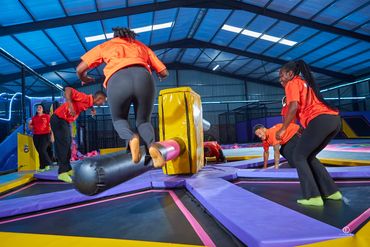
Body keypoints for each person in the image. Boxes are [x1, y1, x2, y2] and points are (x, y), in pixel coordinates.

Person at [76, 27, 169, 164]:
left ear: (115, 36)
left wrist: (83, 78)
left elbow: (79, 69)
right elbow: (164, 72)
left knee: (119, 119)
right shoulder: (141, 46)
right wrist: (160, 76)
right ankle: (152, 146)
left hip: (118, 80)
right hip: (144, 78)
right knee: (143, 121)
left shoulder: (106, 46)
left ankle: (132, 138)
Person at [276, 60, 342, 206]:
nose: (280, 78)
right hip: (333, 120)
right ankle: (331, 192)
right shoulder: (304, 83)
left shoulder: (292, 83)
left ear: (290, 74)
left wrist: (283, 129)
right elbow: (294, 110)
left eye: (281, 75)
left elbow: (293, 107)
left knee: (298, 156)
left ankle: (312, 197)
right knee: (309, 156)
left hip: (320, 120)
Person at [51, 87, 107, 183]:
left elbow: (87, 104)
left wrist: (92, 108)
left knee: (68, 144)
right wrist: (70, 105)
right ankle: (62, 173)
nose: (103, 104)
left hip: (64, 121)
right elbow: (68, 89)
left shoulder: (89, 102)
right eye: (104, 101)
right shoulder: (84, 97)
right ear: (99, 99)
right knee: (63, 145)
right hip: (58, 119)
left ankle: (67, 169)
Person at [29, 104, 53, 172]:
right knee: (40, 151)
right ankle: (42, 167)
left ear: (43, 109)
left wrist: (52, 135)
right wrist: (29, 124)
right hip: (36, 136)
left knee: (42, 150)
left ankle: (48, 163)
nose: (38, 108)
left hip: (45, 135)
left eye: (40, 107)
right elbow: (31, 128)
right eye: (38, 107)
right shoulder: (34, 118)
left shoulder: (47, 116)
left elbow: (51, 126)